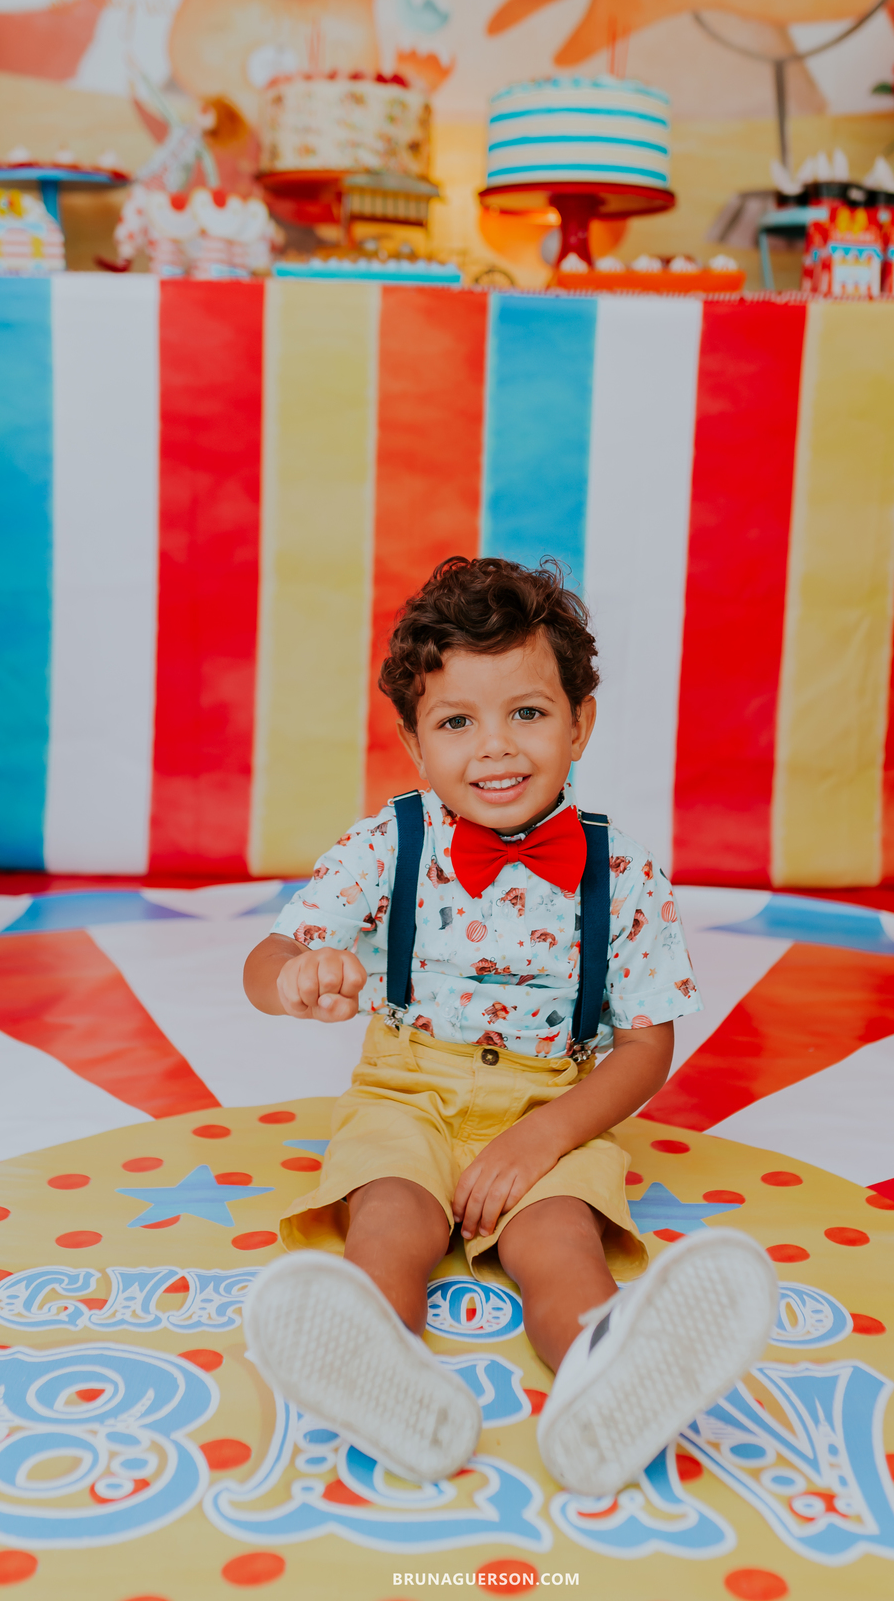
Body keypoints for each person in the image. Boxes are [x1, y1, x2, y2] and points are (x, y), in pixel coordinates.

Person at [241, 556, 776, 1497]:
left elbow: (646, 1045)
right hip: (406, 1094)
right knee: (391, 1219)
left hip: (552, 1104)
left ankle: (611, 1385)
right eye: (457, 723)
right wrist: (296, 978)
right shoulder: (389, 843)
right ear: (414, 744)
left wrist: (546, 1136)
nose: (495, 748)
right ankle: (376, 1368)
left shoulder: (625, 876)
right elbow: (269, 957)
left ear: (580, 724)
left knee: (559, 1245)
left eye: (527, 713)